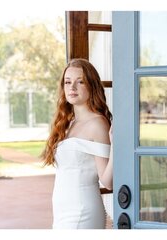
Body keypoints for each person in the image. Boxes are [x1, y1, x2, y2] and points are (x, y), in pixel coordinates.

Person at [41, 58, 113, 229]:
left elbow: (108, 181)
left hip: (83, 211)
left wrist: (116, 146)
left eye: (80, 82)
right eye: (68, 82)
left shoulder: (97, 124)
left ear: (92, 86)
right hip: (62, 210)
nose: (72, 88)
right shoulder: (68, 123)